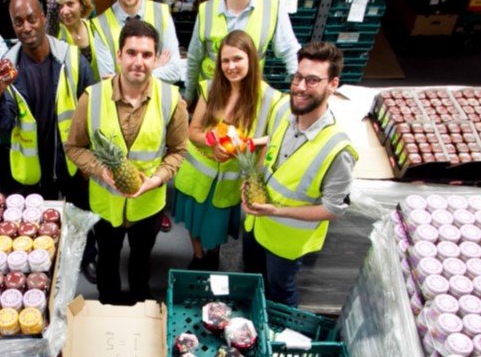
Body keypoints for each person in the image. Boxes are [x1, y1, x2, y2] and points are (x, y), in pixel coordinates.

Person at [65, 20, 188, 305]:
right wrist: (100, 170)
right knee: (108, 258)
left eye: (146, 55)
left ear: (156, 59)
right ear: (119, 55)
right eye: (131, 53)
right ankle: (108, 301)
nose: (138, 62)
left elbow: (178, 151)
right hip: (106, 204)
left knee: (141, 259)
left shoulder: (171, 99)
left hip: (148, 204)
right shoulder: (92, 97)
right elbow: (74, 147)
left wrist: (155, 180)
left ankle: (139, 302)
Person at [241, 41, 357, 308]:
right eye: (298, 77)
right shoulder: (285, 110)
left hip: (286, 240)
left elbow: (333, 209)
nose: (301, 87)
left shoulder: (338, 149)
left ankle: (277, 337)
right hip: (256, 224)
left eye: (313, 80)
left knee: (280, 291)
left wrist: (276, 212)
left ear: (333, 84)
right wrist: (252, 181)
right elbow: (272, 147)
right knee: (251, 279)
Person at [175, 31, 285, 271]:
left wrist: (250, 143)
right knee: (193, 224)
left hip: (229, 183)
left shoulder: (271, 99)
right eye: (225, 61)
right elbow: (193, 131)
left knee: (214, 231)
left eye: (237, 59)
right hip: (197, 177)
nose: (231, 66)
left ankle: (211, 258)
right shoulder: (210, 88)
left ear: (251, 59)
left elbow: (277, 137)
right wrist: (211, 141)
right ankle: (198, 257)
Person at [0, 0, 94, 204]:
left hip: (71, 164)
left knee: (81, 226)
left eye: (31, 19)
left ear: (43, 17)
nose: (26, 28)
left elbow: (93, 112)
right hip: (33, 171)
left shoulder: (71, 59)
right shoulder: (8, 68)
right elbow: (1, 128)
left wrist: (89, 160)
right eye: (18, 22)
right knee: (43, 232)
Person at [184, 0, 300, 104]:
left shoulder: (272, 4)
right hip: (212, 97)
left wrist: (297, 92)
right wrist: (189, 97)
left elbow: (290, 51)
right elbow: (194, 58)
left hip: (249, 97)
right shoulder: (206, 10)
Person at [92, 0, 184, 85]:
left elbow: (175, 71)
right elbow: (108, 83)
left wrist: (123, 76)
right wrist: (153, 67)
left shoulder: (162, 13)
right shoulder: (101, 25)